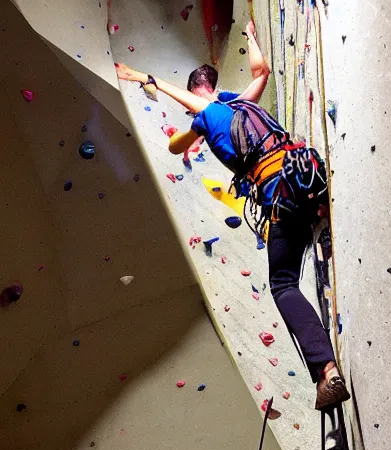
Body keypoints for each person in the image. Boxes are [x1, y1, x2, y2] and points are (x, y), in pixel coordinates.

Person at [115, 21, 350, 410]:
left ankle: (328, 373)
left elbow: (178, 141)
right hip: (306, 175)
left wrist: (143, 77)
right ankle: (319, 213)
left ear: (198, 92)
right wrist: (252, 38)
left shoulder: (208, 111)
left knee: (282, 284)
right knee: (294, 243)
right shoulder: (241, 103)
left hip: (282, 195)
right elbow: (262, 71)